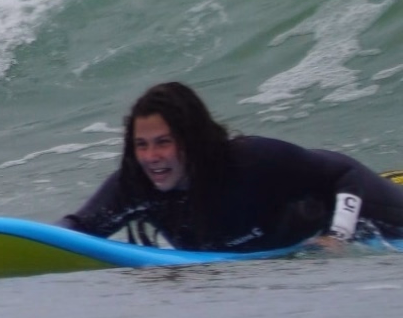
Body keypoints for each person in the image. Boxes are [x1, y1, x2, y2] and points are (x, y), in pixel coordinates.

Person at [64, 80, 403, 252]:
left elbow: (343, 172)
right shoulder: (138, 187)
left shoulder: (250, 161)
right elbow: (77, 229)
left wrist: (338, 236)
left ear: (191, 139)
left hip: (369, 212)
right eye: (142, 145)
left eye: (163, 142)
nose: (151, 157)